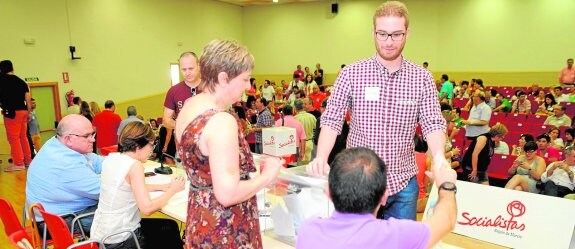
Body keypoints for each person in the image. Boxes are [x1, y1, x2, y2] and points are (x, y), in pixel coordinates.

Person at [308, 1, 449, 221]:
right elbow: (332, 119)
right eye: (382, 34)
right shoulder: (352, 74)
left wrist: (439, 156)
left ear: (407, 33)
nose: (389, 42)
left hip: (403, 182)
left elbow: (433, 123)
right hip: (359, 181)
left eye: (396, 35)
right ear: (373, 32)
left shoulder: (422, 78)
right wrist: (321, 158)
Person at [174, 40, 283, 248]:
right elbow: (227, 194)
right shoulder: (221, 121)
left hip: (200, 218)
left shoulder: (189, 107)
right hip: (226, 228)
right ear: (223, 78)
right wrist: (267, 176)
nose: (249, 86)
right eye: (245, 79)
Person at [297, 147, 457, 249]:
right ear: (384, 196)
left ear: (329, 193)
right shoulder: (398, 236)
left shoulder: (308, 231)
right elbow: (447, 219)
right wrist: (446, 185)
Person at [90, 122, 185, 249]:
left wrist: (161, 186)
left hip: (102, 234)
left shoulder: (111, 158)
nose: (152, 150)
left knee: (169, 227)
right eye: (151, 145)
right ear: (138, 146)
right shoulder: (134, 166)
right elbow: (147, 209)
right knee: (169, 229)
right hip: (122, 238)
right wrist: (172, 190)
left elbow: (126, 187)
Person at [26, 114, 103, 235]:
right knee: (119, 212)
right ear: (68, 139)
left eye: (93, 134)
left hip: (49, 215)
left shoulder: (56, 144)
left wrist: (125, 165)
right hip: (57, 222)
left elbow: (98, 162)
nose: (93, 139)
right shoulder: (66, 163)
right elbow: (107, 192)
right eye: (87, 136)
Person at [0, 60, 32, 172]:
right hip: (23, 112)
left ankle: (18, 163)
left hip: (12, 113)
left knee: (13, 138)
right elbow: (28, 99)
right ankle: (28, 161)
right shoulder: (21, 82)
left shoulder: (1, 81)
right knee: (23, 137)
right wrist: (29, 112)